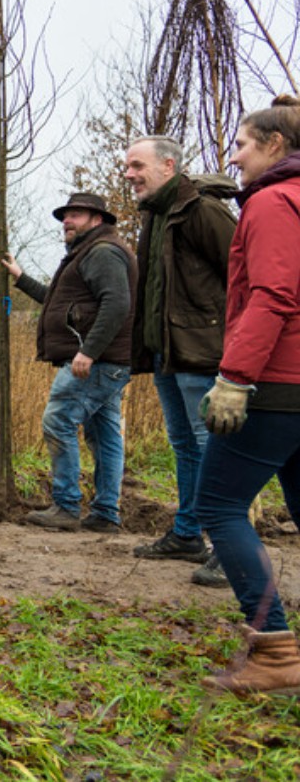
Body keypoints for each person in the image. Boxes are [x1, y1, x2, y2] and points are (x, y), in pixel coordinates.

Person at [195, 94, 300, 696]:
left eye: (240, 145)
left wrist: (235, 377)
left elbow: (273, 296)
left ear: (274, 146)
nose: (233, 158)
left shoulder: (272, 202)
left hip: (277, 383)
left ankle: (275, 653)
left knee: (219, 507)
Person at [123, 136, 236, 583]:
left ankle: (228, 546)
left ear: (168, 165)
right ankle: (188, 533)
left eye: (136, 165)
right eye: (127, 167)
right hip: (166, 353)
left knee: (211, 446)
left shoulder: (203, 210)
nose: (129, 174)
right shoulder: (155, 214)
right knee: (186, 446)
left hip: (201, 352)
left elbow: (241, 275)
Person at [2, 192, 137, 533]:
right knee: (104, 434)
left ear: (98, 220)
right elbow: (58, 303)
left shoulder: (102, 253)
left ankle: (65, 506)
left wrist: (89, 351)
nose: (67, 221)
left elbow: (117, 304)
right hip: (109, 360)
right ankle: (105, 513)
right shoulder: (86, 254)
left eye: (76, 214)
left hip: (98, 361)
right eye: (66, 215)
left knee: (58, 419)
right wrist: (21, 277)